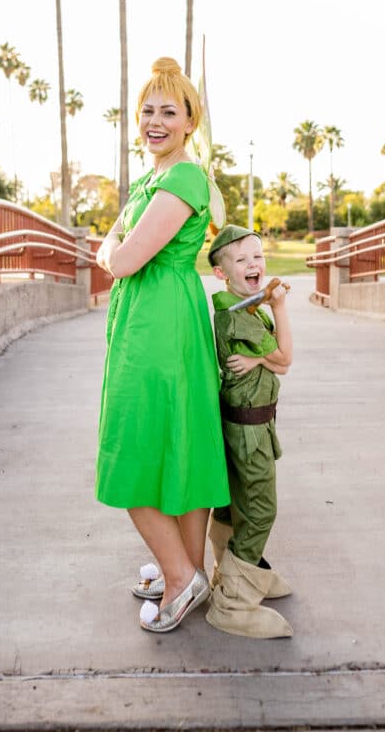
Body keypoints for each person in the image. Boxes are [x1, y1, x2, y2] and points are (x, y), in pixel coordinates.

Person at [95, 56, 230, 634]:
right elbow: (117, 246)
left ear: (190, 121)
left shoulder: (183, 178)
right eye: (147, 110)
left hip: (160, 328)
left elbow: (120, 257)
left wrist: (111, 250)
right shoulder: (156, 178)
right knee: (178, 443)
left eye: (168, 111)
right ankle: (187, 570)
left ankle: (180, 577)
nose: (154, 120)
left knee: (132, 450)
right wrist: (114, 246)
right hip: (158, 320)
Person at [205, 225, 294, 638]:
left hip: (246, 421)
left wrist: (262, 362)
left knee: (236, 503)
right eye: (240, 260)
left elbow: (274, 363)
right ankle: (235, 600)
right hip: (249, 428)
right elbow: (287, 359)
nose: (253, 264)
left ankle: (232, 569)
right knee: (260, 509)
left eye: (257, 256)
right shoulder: (243, 318)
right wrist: (280, 307)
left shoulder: (239, 307)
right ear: (222, 274)